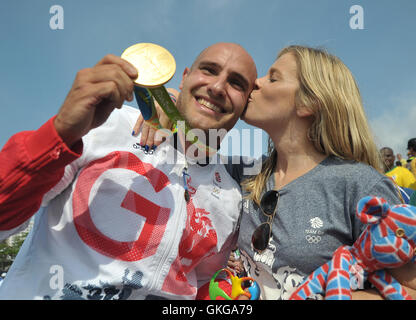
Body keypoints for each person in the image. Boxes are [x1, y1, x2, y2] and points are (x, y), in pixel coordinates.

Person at [137, 45, 416, 300]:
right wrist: (169, 101)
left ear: (308, 103)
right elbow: (193, 145)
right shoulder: (242, 174)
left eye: (272, 78)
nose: (254, 83)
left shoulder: (359, 186)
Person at [0, 42, 258, 299]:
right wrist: (61, 134)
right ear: (185, 77)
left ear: (246, 103)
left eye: (236, 83)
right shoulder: (106, 127)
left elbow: (199, 283)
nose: (216, 87)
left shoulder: (232, 196)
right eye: (209, 70)